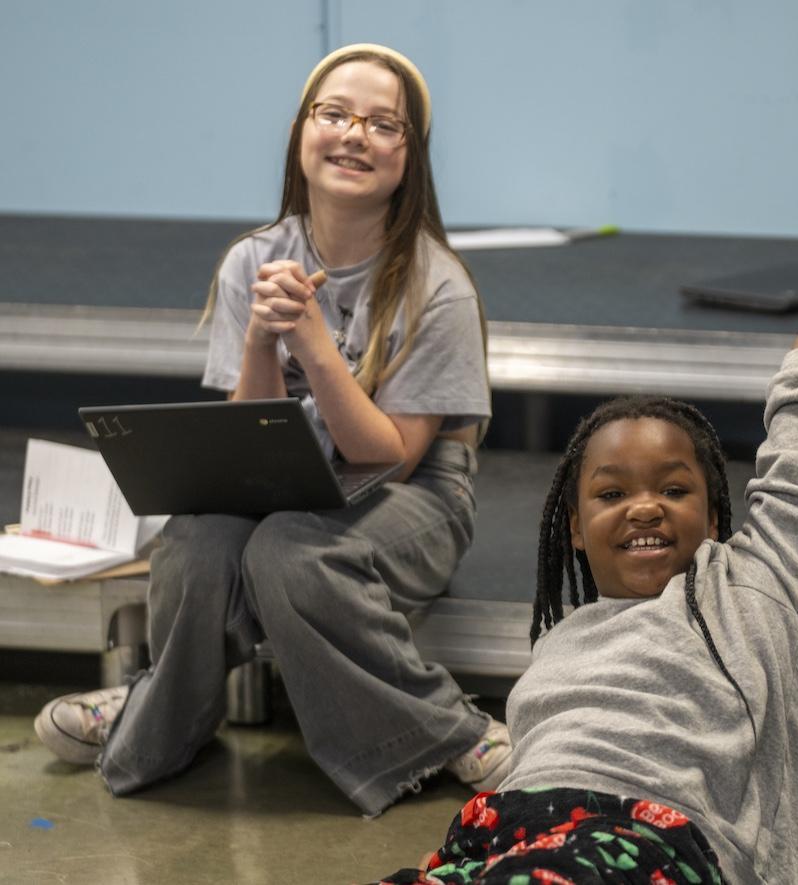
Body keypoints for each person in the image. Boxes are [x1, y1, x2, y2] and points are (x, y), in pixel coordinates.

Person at [369, 90, 798, 883]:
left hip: (647, 842)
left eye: (673, 489)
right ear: (573, 527)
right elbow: (528, 775)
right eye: (610, 493)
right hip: (511, 835)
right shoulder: (559, 641)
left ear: (717, 515)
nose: (644, 504)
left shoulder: (751, 591)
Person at [33, 43, 511, 817]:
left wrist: (316, 346)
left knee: (290, 551)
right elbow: (247, 437)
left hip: (413, 493)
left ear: (408, 158)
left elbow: (387, 457)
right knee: (198, 541)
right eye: (334, 114)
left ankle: (447, 727)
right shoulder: (252, 260)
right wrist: (260, 341)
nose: (355, 134)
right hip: (286, 475)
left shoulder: (437, 284)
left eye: (382, 124)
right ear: (301, 133)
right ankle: (160, 722)